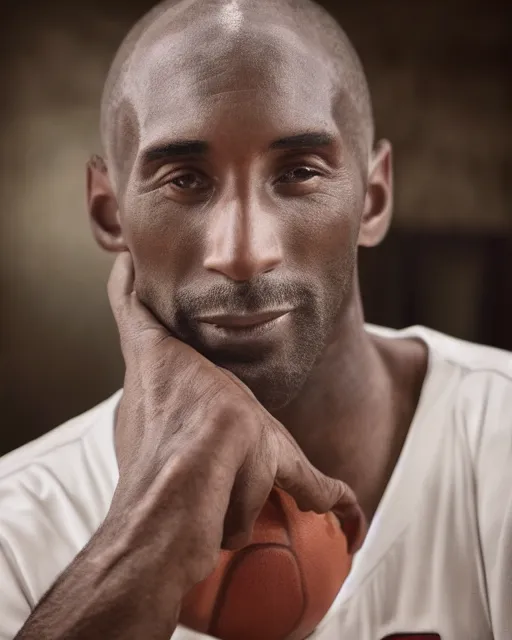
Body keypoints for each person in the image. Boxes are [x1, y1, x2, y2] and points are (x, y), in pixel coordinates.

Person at [1, 0, 511, 638]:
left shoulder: (500, 445)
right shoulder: (15, 529)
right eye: (185, 179)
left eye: (299, 173)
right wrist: (146, 536)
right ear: (109, 213)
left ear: (373, 198)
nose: (242, 253)